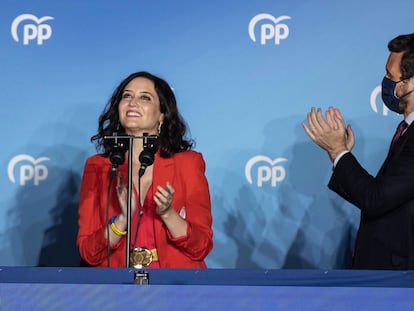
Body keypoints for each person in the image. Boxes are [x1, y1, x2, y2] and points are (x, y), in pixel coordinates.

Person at [77, 71, 213, 268]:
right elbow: (88, 253)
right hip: (117, 290)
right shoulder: (98, 167)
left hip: (176, 286)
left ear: (162, 115)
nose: (133, 102)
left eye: (145, 97)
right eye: (127, 96)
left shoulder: (188, 163)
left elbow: (202, 246)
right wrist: (122, 220)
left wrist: (167, 213)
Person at [303, 33, 414, 270]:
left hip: (400, 284)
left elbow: (376, 200)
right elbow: (379, 198)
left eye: (390, 76)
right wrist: (339, 154)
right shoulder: (406, 131)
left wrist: (339, 151)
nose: (384, 81)